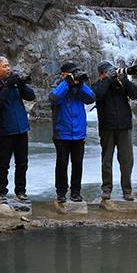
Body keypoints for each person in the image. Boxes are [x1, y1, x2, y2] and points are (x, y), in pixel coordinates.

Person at [0, 55, 35, 205]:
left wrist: (20, 84)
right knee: (4, 164)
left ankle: (20, 191)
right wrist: (8, 86)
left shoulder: (14, 83)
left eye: (8, 65)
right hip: (5, 130)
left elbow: (31, 96)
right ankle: (1, 193)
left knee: (22, 163)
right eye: (4, 66)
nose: (8, 68)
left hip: (21, 128)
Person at [92, 61, 137, 201]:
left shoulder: (121, 84)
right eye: (108, 72)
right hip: (107, 127)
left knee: (126, 161)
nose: (112, 74)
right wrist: (107, 80)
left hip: (124, 126)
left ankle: (127, 190)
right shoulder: (98, 85)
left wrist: (124, 80)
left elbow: (136, 94)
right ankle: (106, 189)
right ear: (101, 73)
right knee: (106, 160)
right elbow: (97, 95)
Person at [49, 62, 95, 203]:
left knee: (77, 164)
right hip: (62, 132)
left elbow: (91, 98)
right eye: (71, 73)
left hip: (79, 133)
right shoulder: (57, 86)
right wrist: (66, 83)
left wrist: (80, 84)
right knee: (62, 164)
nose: (74, 75)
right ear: (63, 74)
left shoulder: (79, 88)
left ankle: (76, 192)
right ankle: (61, 192)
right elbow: (55, 98)